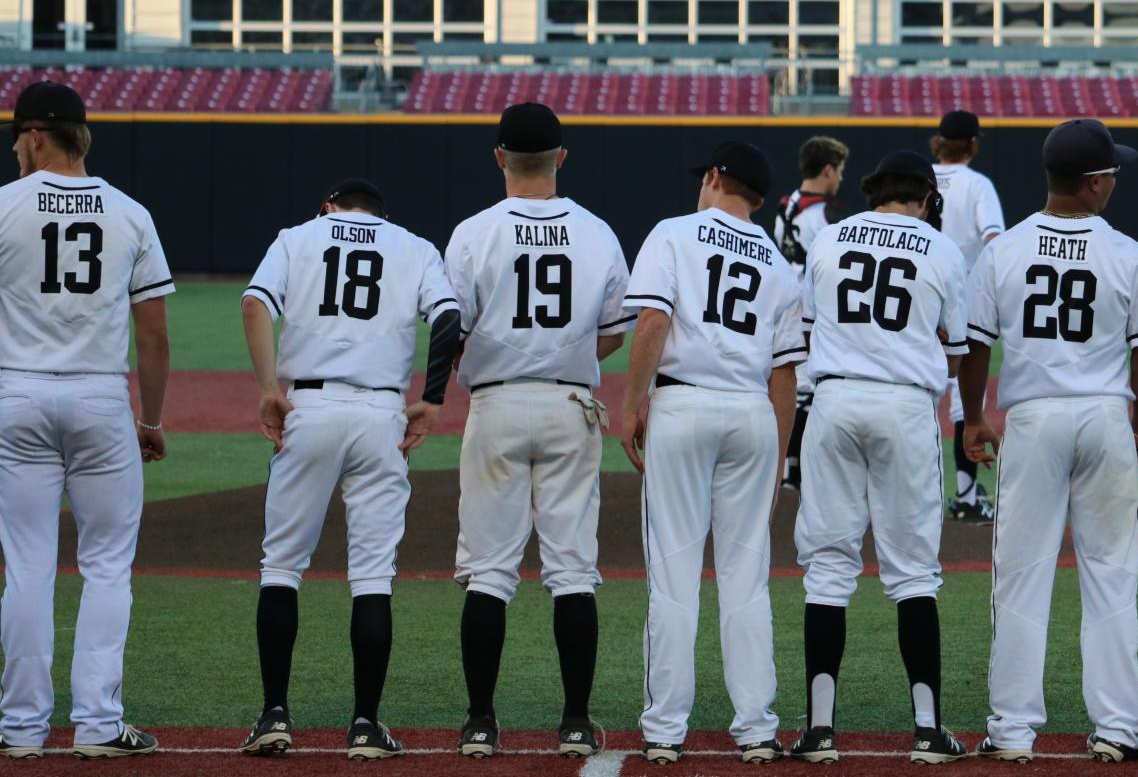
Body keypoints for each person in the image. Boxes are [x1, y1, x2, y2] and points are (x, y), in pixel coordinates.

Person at [960, 118, 1138, 764]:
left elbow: (975, 344)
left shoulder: (1004, 249)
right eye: (1111, 171)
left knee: (1021, 576)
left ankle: (1013, 732)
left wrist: (972, 417)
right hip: (1105, 414)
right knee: (1111, 573)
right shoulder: (1128, 253)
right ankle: (1117, 726)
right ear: (1093, 183)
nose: (1115, 180)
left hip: (1034, 418)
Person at [239, 178, 461, 761]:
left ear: (327, 207)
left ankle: (274, 717)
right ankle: (365, 726)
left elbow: (255, 302)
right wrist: (432, 400)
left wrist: (268, 390)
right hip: (381, 413)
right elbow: (447, 320)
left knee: (281, 565)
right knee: (372, 575)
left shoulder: (299, 236)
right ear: (381, 215)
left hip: (308, 407)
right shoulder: (413, 245)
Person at [443, 102, 634, 760]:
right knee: (572, 568)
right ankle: (576, 722)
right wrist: (564, 360)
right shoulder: (597, 231)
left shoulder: (472, 233)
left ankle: (479, 723)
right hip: (570, 405)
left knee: (490, 571)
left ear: (498, 157)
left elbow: (451, 328)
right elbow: (614, 330)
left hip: (494, 406)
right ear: (561, 157)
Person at [0, 82, 172, 760]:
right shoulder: (129, 213)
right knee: (106, 568)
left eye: (18, 137)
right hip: (102, 401)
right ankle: (99, 724)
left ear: (37, 136)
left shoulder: (4, 206)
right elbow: (153, 335)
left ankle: (19, 729)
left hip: (17, 397)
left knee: (27, 566)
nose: (16, 148)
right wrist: (150, 419)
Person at [619, 141, 804, 766]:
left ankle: (666, 729)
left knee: (673, 572)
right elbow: (786, 375)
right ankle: (755, 728)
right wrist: (778, 455)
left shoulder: (674, 233)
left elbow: (651, 321)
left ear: (717, 178)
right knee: (746, 578)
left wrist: (631, 402)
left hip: (684, 406)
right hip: (752, 411)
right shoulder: (780, 263)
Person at [792, 150, 970, 766]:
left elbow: (809, 330)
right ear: (926, 197)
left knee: (828, 569)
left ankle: (819, 731)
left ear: (874, 192)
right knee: (914, 572)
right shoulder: (942, 249)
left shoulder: (830, 237)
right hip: (904, 404)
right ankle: (926, 732)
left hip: (834, 399)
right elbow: (959, 347)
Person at [931, 110, 1005, 523]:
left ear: (938, 140)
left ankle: (919, 494)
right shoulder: (978, 184)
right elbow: (993, 237)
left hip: (915, 299)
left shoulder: (920, 176)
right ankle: (965, 495)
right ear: (973, 144)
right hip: (961, 302)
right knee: (963, 402)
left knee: (917, 394)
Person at [772, 135, 850, 491]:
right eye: (840, 170)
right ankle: (798, 470)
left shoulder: (786, 204)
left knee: (793, 383)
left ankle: (789, 468)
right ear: (829, 168)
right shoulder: (829, 214)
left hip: (785, 301)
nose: (841, 178)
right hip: (812, 307)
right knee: (809, 390)